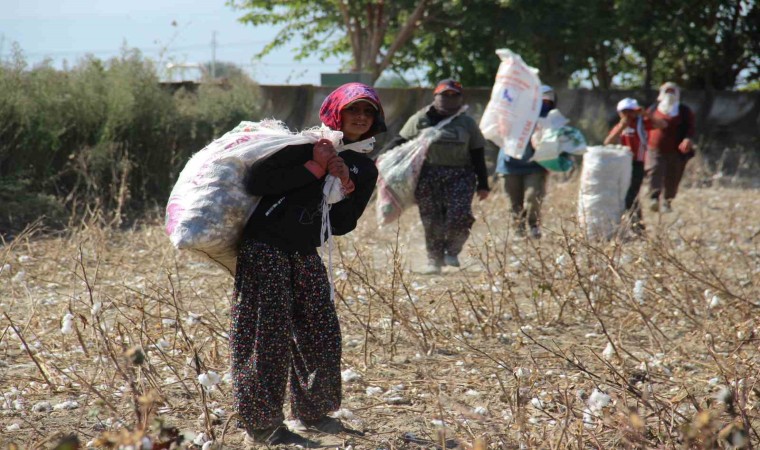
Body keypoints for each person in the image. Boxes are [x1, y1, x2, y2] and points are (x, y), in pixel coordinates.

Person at [230, 83, 384, 446]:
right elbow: (258, 181)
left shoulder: (363, 166)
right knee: (267, 334)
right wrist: (315, 166)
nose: (361, 118)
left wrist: (344, 186)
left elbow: (345, 223)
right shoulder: (303, 146)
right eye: (353, 110)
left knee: (321, 328)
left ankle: (314, 412)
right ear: (336, 112)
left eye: (368, 112)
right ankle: (263, 424)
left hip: (303, 251)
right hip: (264, 245)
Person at [382, 79, 490, 275]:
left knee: (459, 214)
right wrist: (380, 160)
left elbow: (477, 153)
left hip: (461, 175)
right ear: (436, 96)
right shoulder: (420, 119)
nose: (449, 99)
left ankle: (452, 251)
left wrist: (483, 184)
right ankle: (434, 259)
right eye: (444, 95)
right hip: (428, 175)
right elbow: (400, 141)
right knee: (432, 219)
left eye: (454, 95)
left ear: (460, 98)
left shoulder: (467, 123)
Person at [495, 85, 557, 239]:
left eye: (548, 101)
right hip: (509, 165)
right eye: (541, 101)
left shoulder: (552, 121)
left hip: (535, 166)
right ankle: (519, 231)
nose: (545, 105)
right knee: (514, 203)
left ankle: (533, 226)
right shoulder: (515, 115)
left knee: (533, 198)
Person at [604, 97, 666, 231]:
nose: (627, 115)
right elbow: (608, 142)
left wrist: (646, 114)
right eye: (624, 112)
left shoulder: (642, 123)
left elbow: (662, 125)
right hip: (622, 165)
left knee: (631, 196)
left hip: (637, 164)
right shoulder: (620, 126)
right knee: (624, 195)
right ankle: (633, 226)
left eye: (630, 112)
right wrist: (622, 126)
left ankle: (638, 228)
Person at [645, 82, 696, 213]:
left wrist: (687, 139)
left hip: (676, 151)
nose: (670, 94)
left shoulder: (684, 111)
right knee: (655, 171)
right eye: (667, 91)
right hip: (655, 149)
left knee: (673, 176)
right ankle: (654, 198)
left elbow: (691, 128)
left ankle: (667, 201)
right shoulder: (653, 109)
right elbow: (646, 125)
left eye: (672, 91)